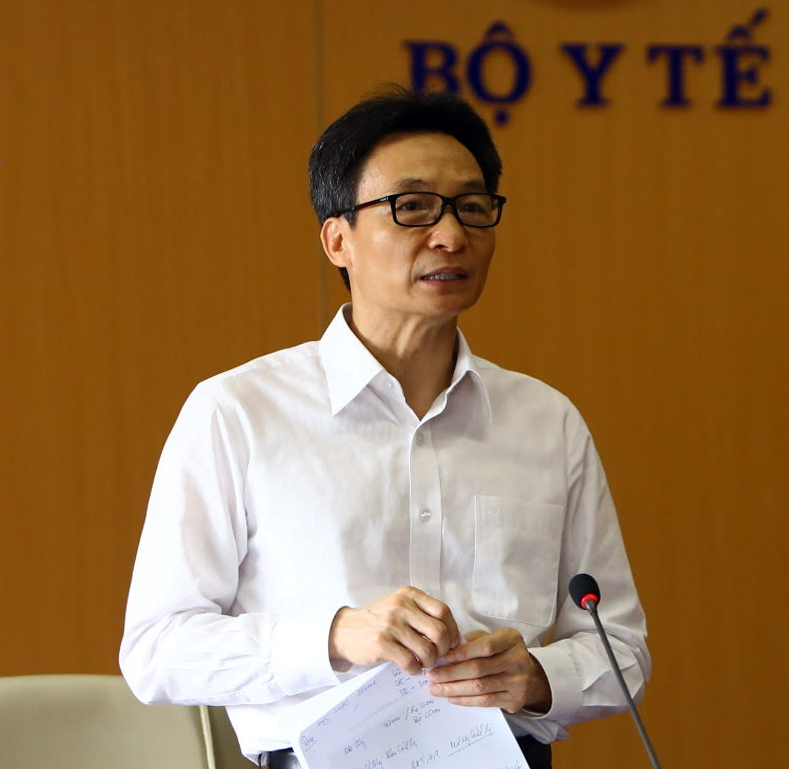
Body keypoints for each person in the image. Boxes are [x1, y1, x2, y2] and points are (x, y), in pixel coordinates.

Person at [119, 86, 649, 769]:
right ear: (337, 239)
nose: (451, 235)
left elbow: (621, 649)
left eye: (472, 207)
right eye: (413, 207)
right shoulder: (238, 411)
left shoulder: (547, 422)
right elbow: (157, 650)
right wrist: (336, 636)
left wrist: (540, 677)